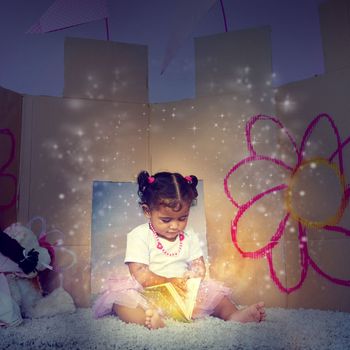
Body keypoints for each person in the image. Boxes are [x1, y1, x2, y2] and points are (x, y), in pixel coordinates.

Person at [93, 171, 266, 329]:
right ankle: (147, 320)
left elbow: (199, 265)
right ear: (147, 211)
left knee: (216, 295)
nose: (175, 226)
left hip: (181, 295)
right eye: (166, 220)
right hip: (147, 294)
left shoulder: (188, 236)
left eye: (182, 218)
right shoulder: (139, 235)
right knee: (120, 299)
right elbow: (139, 272)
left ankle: (233, 314)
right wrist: (168, 281)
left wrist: (193, 277)